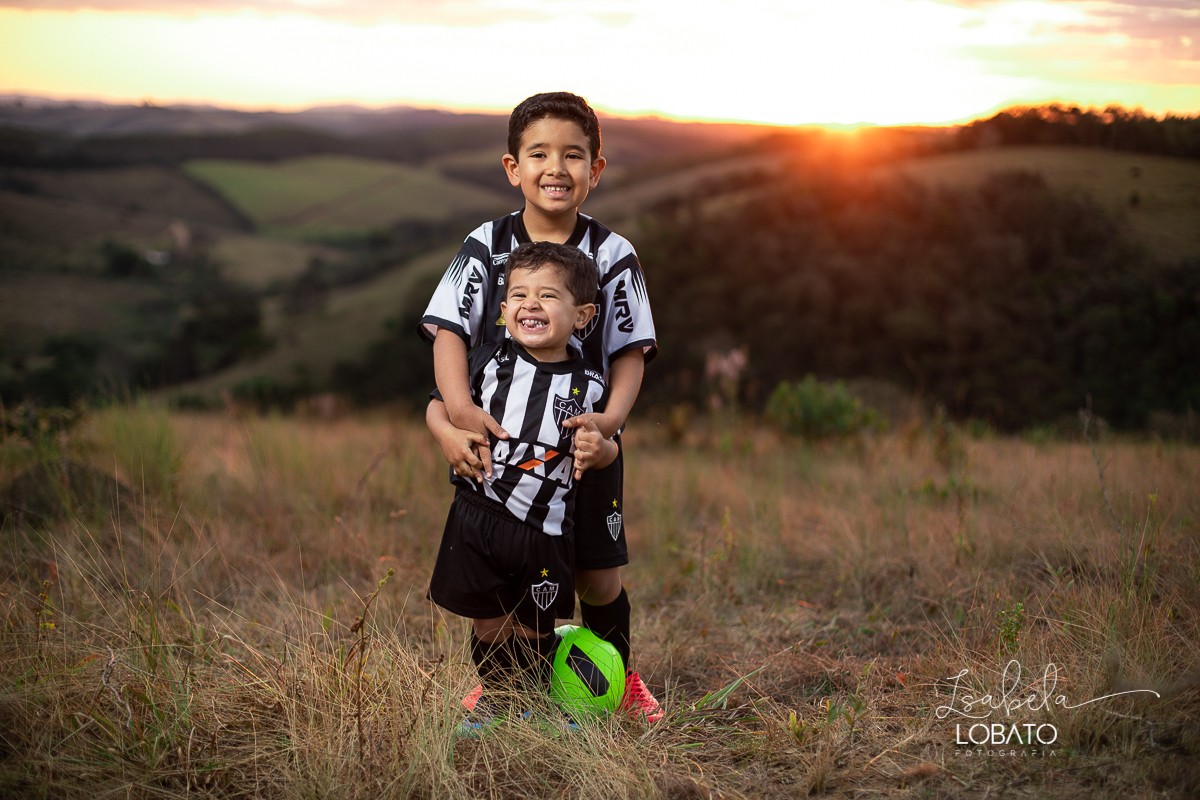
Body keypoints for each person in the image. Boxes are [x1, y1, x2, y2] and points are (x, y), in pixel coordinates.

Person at [420, 91, 662, 723]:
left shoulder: (612, 255)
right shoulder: (487, 245)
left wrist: (608, 428)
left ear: (596, 169)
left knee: (594, 575)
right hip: (500, 451)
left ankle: (617, 681)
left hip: (585, 449)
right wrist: (457, 411)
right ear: (513, 168)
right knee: (501, 580)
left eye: (573, 155)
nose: (556, 168)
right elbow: (449, 330)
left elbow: (630, 353)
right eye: (539, 154)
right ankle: (506, 693)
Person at [426, 242, 616, 726]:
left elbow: (610, 444)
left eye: (548, 296)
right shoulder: (487, 361)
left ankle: (531, 705)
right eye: (519, 294)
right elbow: (438, 405)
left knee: (536, 626)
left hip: (546, 529)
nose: (530, 304)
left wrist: (603, 449)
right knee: (488, 623)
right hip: (479, 514)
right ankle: (497, 699)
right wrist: (446, 432)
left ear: (582, 315)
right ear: (504, 309)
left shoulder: (592, 383)